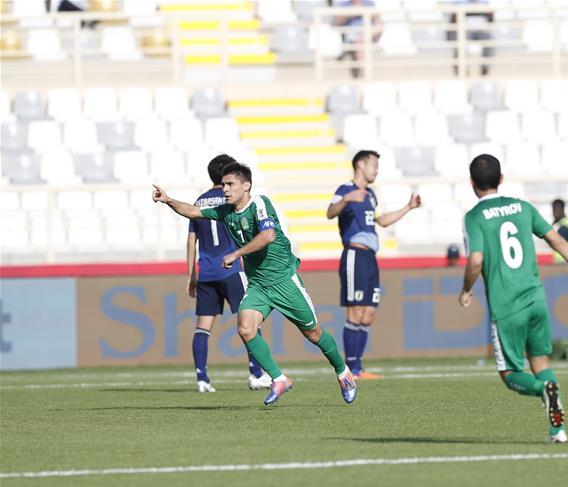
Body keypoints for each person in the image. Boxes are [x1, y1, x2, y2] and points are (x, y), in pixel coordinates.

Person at [153, 162, 358, 406]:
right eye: (224, 184)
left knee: (313, 333)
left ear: (246, 186)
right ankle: (279, 379)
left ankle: (343, 372)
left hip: (284, 282)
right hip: (259, 285)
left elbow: (268, 235)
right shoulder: (225, 211)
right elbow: (193, 211)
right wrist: (168, 200)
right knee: (245, 328)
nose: (225, 190)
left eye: (230, 184)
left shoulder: (259, 203)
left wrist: (236, 254)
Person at [458, 154, 568, 443]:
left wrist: (466, 289)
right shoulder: (522, 207)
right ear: (501, 179)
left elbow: (475, 260)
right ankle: (557, 430)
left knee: (509, 373)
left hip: (506, 305)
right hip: (536, 299)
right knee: (541, 361)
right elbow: (556, 239)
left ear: (472, 183)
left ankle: (541, 391)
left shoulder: (473, 217)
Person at [327, 150, 422, 379]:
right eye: (374, 165)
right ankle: (351, 369)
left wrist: (407, 208)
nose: (376, 170)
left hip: (370, 257)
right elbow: (330, 212)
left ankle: (359, 367)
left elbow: (381, 220)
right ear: (361, 165)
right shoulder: (345, 190)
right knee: (355, 311)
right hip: (354, 254)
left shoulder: (370, 195)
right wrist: (346, 200)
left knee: (368, 313)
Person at [187, 154, 272, 393]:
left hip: (205, 273)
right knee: (251, 321)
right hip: (232, 270)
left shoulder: (199, 201)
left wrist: (190, 275)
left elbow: (191, 241)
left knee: (202, 328)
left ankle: (202, 378)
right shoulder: (230, 200)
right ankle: (256, 373)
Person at [333, 0, 382, 78]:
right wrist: (350, 14)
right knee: (360, 41)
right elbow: (335, 23)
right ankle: (365, 76)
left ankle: (364, 75)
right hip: (353, 34)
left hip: (369, 33)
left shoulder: (369, 3)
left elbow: (377, 18)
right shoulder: (344, 4)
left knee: (378, 26)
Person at [446, 0, 494, 76]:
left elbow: (491, 18)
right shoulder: (458, 2)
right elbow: (453, 18)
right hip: (464, 30)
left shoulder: (484, 2)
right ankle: (461, 69)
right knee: (459, 41)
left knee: (490, 40)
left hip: (481, 30)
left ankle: (485, 68)